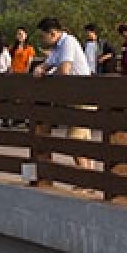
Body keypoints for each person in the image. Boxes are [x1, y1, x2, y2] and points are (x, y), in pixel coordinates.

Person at [33, 17, 95, 169]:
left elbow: (64, 70)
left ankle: (86, 182)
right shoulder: (57, 46)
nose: (42, 39)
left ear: (53, 33)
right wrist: (41, 68)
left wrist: (46, 75)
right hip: (75, 99)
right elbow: (47, 65)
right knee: (82, 144)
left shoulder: (68, 42)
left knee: (73, 142)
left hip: (83, 99)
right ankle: (89, 181)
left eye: (43, 36)